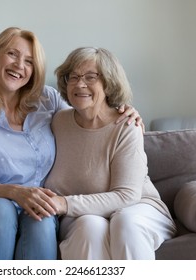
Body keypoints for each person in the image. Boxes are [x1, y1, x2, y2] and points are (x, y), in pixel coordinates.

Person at [0, 27, 143, 260]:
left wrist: (122, 110)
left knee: (43, 215)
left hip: (37, 208)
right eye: (12, 54)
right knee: (3, 209)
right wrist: (15, 193)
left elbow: (86, 115)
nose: (20, 65)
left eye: (29, 61)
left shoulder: (47, 100)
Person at [45, 47, 177, 260]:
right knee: (90, 227)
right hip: (81, 216)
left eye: (91, 77)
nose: (80, 84)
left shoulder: (126, 125)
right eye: (74, 77)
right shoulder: (58, 121)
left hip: (137, 209)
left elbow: (127, 196)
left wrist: (64, 203)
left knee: (126, 222)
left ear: (108, 83)